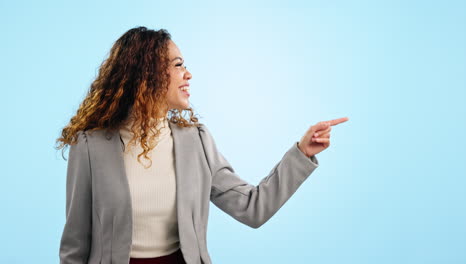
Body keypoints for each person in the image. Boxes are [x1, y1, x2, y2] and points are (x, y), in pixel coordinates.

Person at [55, 26, 349, 264]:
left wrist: (301, 153)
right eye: (178, 65)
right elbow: (75, 245)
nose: (188, 74)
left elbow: (252, 208)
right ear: (147, 73)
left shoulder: (196, 141)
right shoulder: (90, 146)